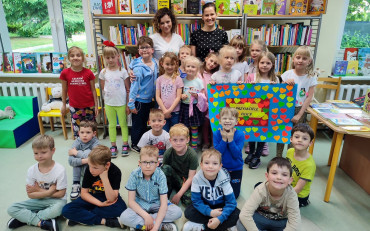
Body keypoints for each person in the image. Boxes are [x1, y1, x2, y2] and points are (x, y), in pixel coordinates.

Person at [7, 135, 67, 231]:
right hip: (38, 200)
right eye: (36, 153)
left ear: (53, 151)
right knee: (12, 208)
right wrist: (48, 192)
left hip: (57, 201)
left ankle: (25, 219)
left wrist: (39, 190)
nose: (39, 156)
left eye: (43, 152)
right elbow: (30, 195)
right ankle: (41, 222)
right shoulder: (31, 170)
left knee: (60, 209)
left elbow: (61, 194)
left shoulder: (60, 170)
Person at [62, 145, 127, 228]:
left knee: (121, 210)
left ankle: (81, 217)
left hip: (107, 198)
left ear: (107, 165)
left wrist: (104, 178)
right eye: (90, 166)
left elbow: (112, 199)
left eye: (95, 168)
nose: (91, 170)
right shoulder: (89, 169)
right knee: (66, 210)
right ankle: (105, 221)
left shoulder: (116, 171)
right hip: (91, 197)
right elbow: (84, 193)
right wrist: (99, 204)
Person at [120, 145, 182, 231]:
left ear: (157, 163)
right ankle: (162, 226)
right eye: (145, 162)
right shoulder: (134, 174)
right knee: (124, 217)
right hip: (140, 204)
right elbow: (131, 201)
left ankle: (142, 226)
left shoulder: (161, 175)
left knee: (177, 212)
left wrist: (155, 227)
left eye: (152, 162)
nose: (148, 166)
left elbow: (163, 204)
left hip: (157, 204)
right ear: (139, 163)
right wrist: (146, 216)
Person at [237, 157, 301, 231]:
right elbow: (245, 214)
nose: (279, 177)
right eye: (274, 173)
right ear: (267, 176)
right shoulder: (260, 190)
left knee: (295, 228)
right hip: (261, 218)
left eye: (284, 175)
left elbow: (295, 223)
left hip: (280, 222)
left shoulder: (291, 195)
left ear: (290, 180)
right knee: (241, 223)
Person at [183, 149, 239, 231]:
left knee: (238, 215)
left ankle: (205, 226)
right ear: (201, 165)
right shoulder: (196, 179)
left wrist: (219, 218)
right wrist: (210, 212)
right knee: (188, 212)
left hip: (221, 207)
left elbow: (231, 203)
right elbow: (196, 201)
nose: (210, 166)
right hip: (205, 206)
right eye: (206, 163)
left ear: (220, 166)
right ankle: (221, 226)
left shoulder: (224, 179)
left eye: (215, 163)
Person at [276, 46, 318, 157]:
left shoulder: (311, 77)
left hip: (300, 109)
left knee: (296, 135)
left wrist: (299, 114)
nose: (300, 60)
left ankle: (291, 157)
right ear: (293, 59)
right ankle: (278, 156)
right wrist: (285, 83)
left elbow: (309, 97)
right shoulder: (287, 74)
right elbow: (278, 92)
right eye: (298, 57)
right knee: (282, 133)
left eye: (304, 58)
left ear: (309, 61)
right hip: (285, 108)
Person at [244, 52, 279, 169]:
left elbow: (278, 97)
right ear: (258, 64)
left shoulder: (275, 79)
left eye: (268, 63)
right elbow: (244, 94)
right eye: (262, 62)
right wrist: (248, 86)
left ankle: (257, 157)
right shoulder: (252, 77)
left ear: (272, 65)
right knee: (251, 133)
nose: (264, 65)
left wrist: (275, 88)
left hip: (267, 113)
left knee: (262, 136)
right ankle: (251, 153)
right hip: (253, 111)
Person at [99, 43, 130, 157]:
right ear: (104, 58)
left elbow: (128, 89)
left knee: (123, 124)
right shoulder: (103, 72)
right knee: (111, 125)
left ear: (118, 56)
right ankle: (113, 145)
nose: (110, 60)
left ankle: (125, 144)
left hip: (121, 103)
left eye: (113, 57)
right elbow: (103, 88)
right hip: (109, 103)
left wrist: (127, 105)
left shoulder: (123, 71)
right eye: (107, 57)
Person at [60, 46, 98, 138]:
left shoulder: (89, 73)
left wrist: (96, 106)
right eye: (72, 56)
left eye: (78, 55)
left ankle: (93, 148)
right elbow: (64, 90)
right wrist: (64, 105)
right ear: (69, 58)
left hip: (89, 106)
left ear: (83, 58)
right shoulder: (65, 73)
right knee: (77, 130)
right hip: (74, 107)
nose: (75, 58)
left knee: (90, 129)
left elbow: (93, 90)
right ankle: (80, 148)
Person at [128, 36, 158, 153]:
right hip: (139, 100)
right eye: (141, 48)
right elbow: (134, 87)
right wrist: (131, 104)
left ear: (152, 50)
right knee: (138, 124)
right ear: (138, 51)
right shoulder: (138, 68)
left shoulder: (155, 63)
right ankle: (135, 143)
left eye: (147, 47)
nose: (144, 50)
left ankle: (143, 141)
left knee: (146, 122)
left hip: (150, 99)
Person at [161, 124, 199, 207]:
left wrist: (178, 195)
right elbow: (164, 173)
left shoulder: (192, 155)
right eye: (175, 140)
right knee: (164, 168)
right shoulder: (168, 153)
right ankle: (167, 192)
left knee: (189, 201)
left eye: (181, 140)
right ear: (170, 141)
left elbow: (191, 178)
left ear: (187, 139)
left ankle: (177, 190)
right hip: (172, 177)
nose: (178, 143)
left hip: (185, 180)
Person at [213, 107, 244, 199]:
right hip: (221, 168)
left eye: (231, 119)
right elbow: (217, 153)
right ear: (220, 121)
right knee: (219, 194)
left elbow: (236, 154)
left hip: (236, 169)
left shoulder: (240, 135)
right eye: (225, 118)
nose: (227, 121)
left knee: (234, 196)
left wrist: (230, 140)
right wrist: (223, 139)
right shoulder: (216, 134)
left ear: (236, 122)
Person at [245, 40, 269, 156]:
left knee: (264, 124)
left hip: (265, 103)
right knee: (252, 123)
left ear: (264, 52)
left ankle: (264, 144)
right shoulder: (249, 67)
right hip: (253, 102)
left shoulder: (268, 68)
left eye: (257, 50)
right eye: (252, 50)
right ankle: (251, 144)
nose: (254, 53)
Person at [68, 120, 100, 200]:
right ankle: (76, 184)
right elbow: (70, 161)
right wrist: (85, 160)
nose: (84, 135)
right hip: (81, 167)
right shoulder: (77, 141)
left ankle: (88, 184)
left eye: (88, 132)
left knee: (88, 152)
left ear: (94, 133)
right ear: (78, 133)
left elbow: (93, 157)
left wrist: (76, 153)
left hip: (91, 170)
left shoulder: (96, 142)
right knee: (78, 158)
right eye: (82, 132)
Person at [286, 123, 316, 207]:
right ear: (291, 139)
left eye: (305, 138)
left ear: (310, 143)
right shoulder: (290, 151)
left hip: (298, 196)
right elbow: (285, 171)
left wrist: (280, 195)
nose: (300, 140)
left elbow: (298, 189)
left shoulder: (309, 165)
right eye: (297, 137)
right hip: (287, 186)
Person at [179, 56, 206, 149]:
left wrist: (197, 96)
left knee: (194, 128)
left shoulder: (199, 81)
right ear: (184, 67)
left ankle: (194, 146)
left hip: (195, 107)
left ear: (197, 69)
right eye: (188, 66)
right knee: (185, 128)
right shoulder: (182, 79)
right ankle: (185, 146)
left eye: (193, 67)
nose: (190, 68)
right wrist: (181, 96)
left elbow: (203, 96)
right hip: (184, 107)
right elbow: (179, 91)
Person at [156, 52, 184, 132]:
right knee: (164, 132)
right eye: (167, 64)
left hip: (175, 112)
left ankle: (174, 145)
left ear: (176, 65)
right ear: (162, 64)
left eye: (172, 64)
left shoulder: (178, 79)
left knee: (175, 132)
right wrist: (164, 110)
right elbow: (157, 97)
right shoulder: (159, 79)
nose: (170, 67)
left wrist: (169, 110)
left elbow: (178, 97)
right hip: (162, 112)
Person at [200, 52, 219, 151]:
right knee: (205, 124)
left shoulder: (215, 75)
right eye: (211, 61)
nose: (212, 64)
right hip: (202, 104)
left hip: (213, 104)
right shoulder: (199, 73)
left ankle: (213, 143)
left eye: (215, 63)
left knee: (213, 124)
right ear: (206, 59)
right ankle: (205, 143)